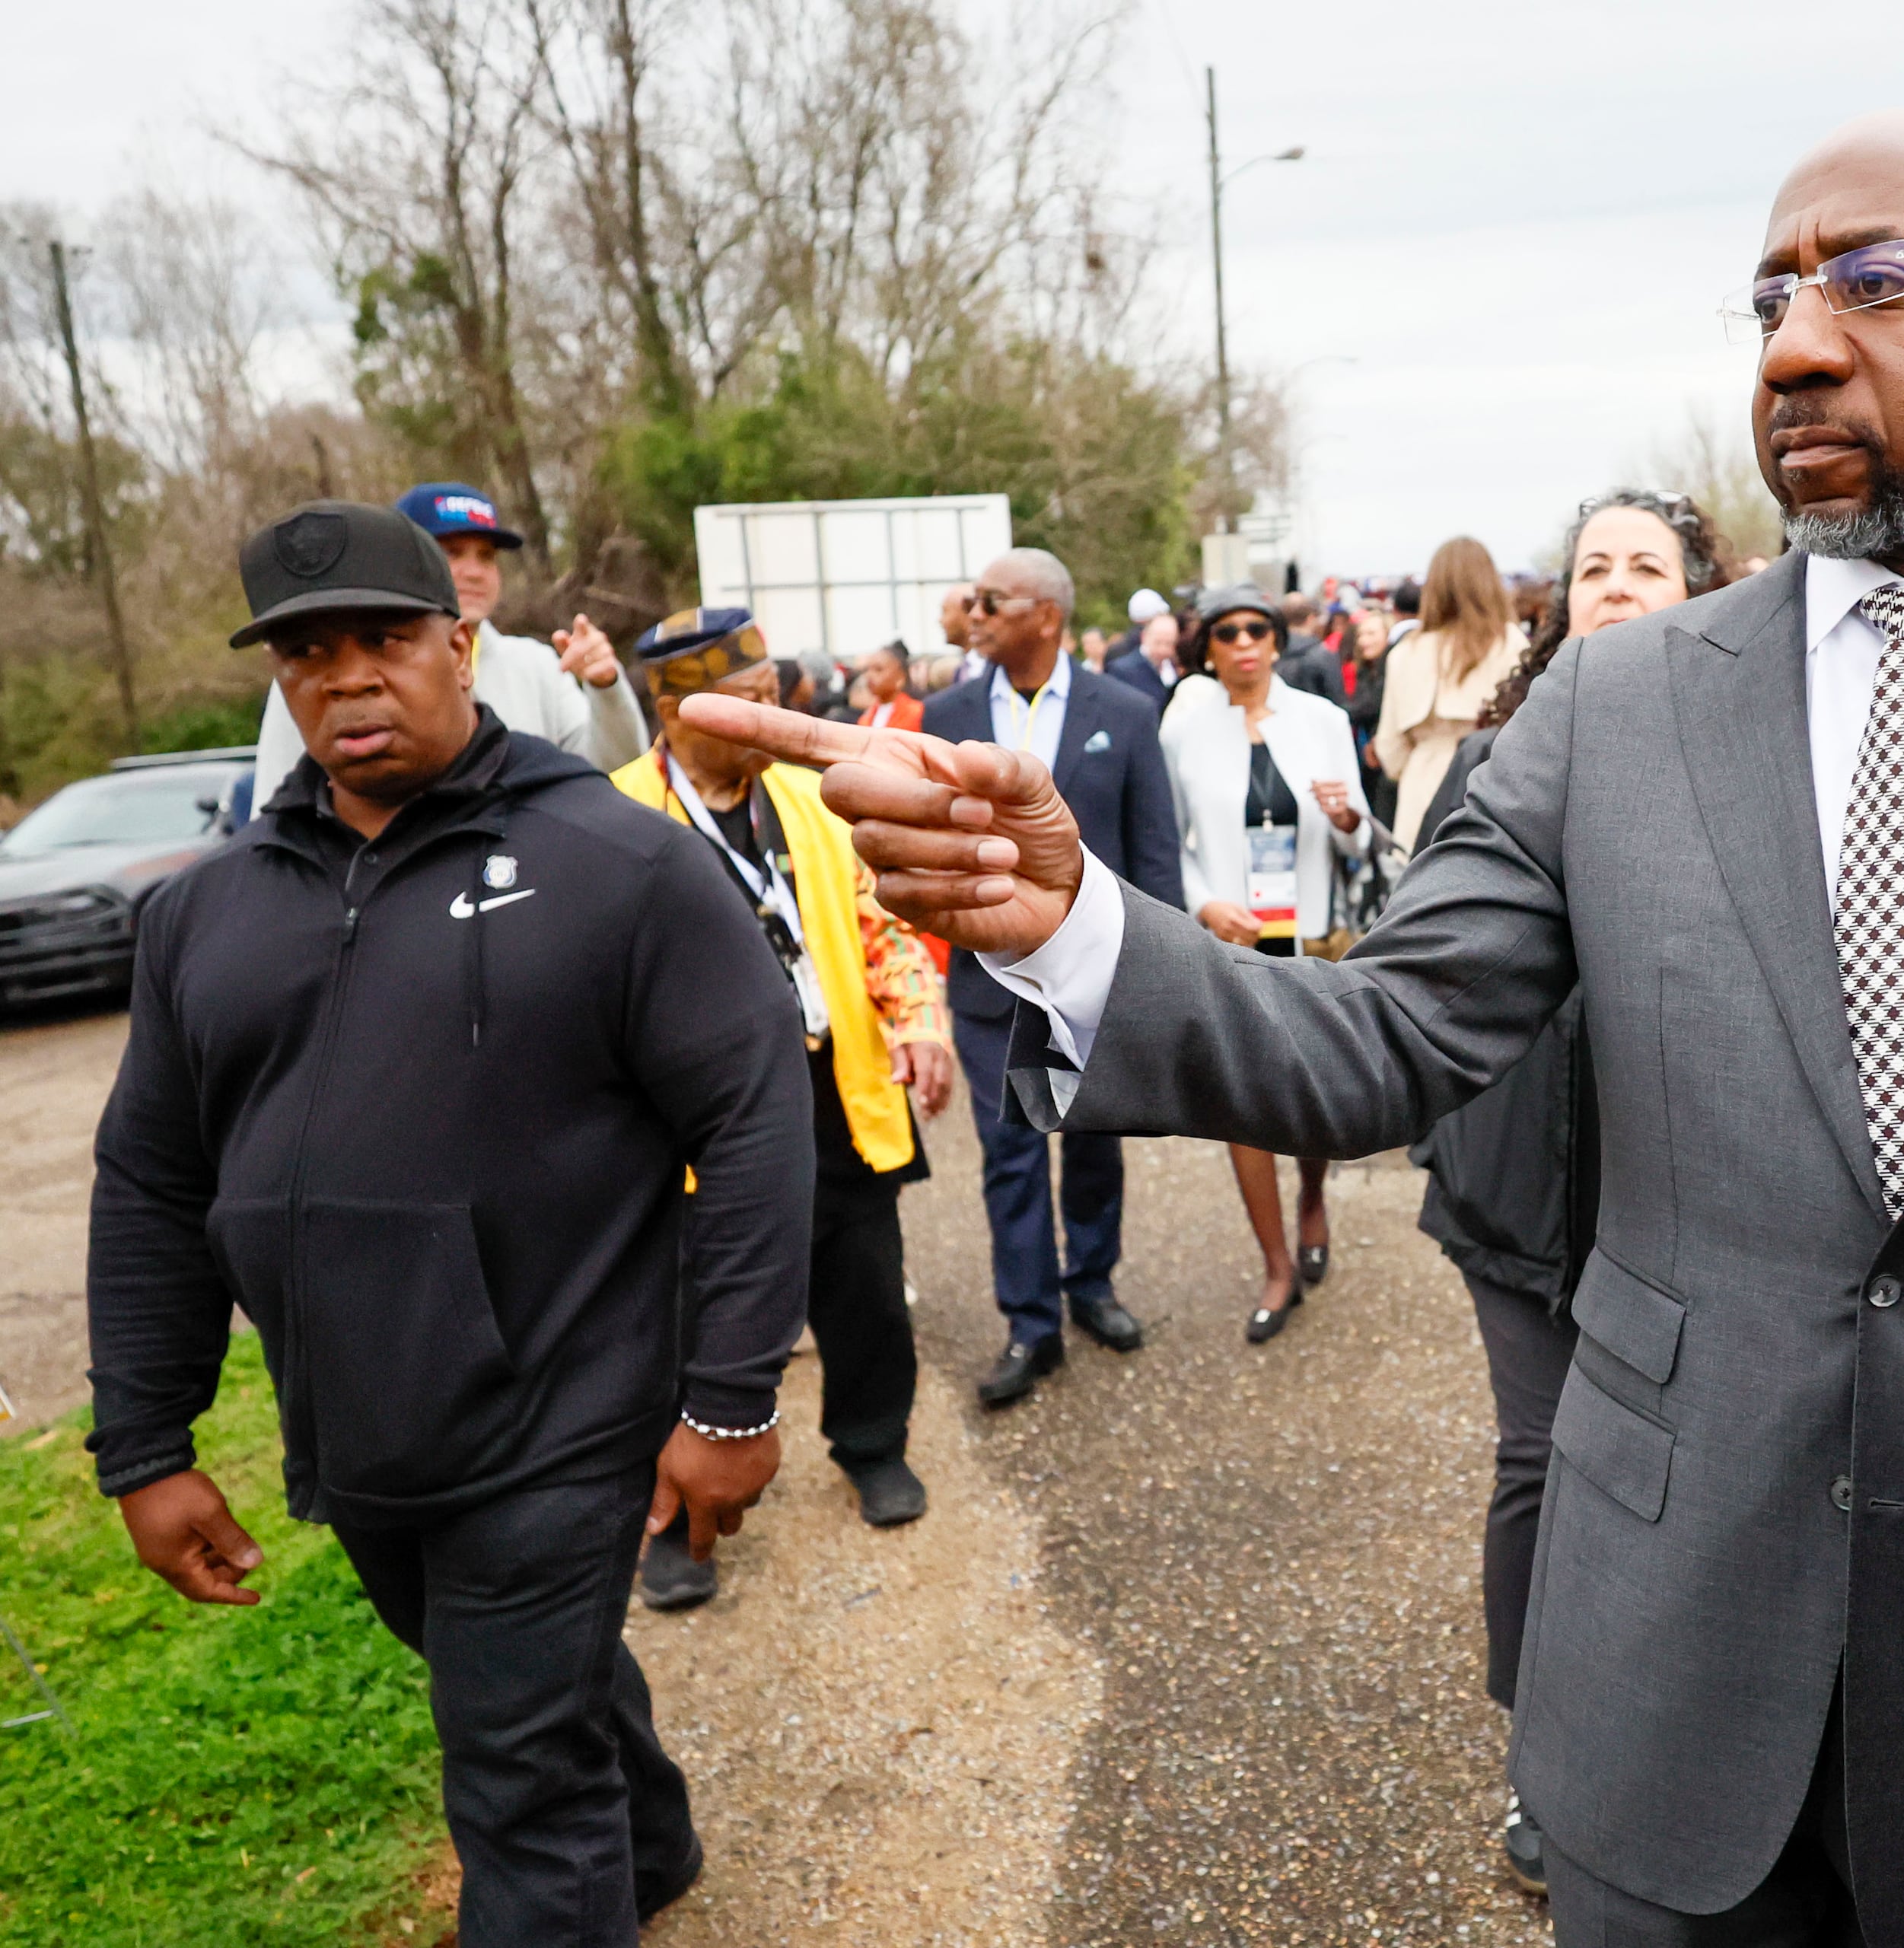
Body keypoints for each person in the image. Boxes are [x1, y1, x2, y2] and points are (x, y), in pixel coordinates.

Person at [692, 107, 1904, 1948]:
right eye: (1773, 295)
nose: (1796, 341)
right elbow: (1383, 1036)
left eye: (1874, 283)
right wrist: (1068, 924)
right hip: (1667, 1694)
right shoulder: (1616, 709)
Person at [92, 501, 810, 1946]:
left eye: (385, 640)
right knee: (519, 1681)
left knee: (517, 1789)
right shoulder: (205, 915)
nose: (349, 678)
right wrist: (147, 1443)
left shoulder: (617, 861)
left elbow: (750, 1115)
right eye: (309, 654)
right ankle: (653, 1845)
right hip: (360, 1425)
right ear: (282, 683)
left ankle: (592, 1869)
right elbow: (152, 1183)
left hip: (563, 1409)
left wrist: (731, 1399)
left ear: (462, 645)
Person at [1407, 485, 1732, 1895]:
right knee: (1542, 1461)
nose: (1612, 586)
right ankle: (1545, 1756)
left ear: (1700, 591)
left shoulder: (1755, 751)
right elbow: (1426, 976)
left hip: (1692, 1184)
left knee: (1689, 1473)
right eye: (1591, 567)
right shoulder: (1499, 756)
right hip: (1521, 1182)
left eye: (1644, 565)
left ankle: (1686, 1738)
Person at [607, 606, 956, 1603]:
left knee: (864, 1287)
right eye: (746, 706)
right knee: (680, 1317)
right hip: (688, 1123)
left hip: (828, 1086)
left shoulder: (814, 799)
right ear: (672, 711)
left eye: (774, 700)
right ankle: (676, 1516)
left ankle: (872, 1444)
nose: (772, 722)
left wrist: (920, 1022)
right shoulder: (619, 818)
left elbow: (884, 926)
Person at [922, 550, 1182, 1408]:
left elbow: (1153, 857)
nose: (974, 610)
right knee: (1011, 1156)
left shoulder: (1130, 713)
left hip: (1093, 975)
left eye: (992, 600)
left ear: (1046, 615)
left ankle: (1092, 1285)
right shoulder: (947, 712)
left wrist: (1156, 973)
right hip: (990, 984)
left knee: (1095, 1140)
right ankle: (1031, 1323)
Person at [1159, 584, 1374, 1341]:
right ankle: (1277, 1262)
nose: (1244, 641)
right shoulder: (1184, 733)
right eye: (1227, 632)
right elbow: (1169, 842)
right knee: (1242, 1102)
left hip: (1311, 937)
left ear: (1278, 641)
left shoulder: (1321, 720)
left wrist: (1349, 815)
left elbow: (1357, 838)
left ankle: (1313, 1195)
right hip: (1233, 942)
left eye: (1258, 629)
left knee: (1311, 1093)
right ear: (1208, 650)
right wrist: (1204, 905)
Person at [249, 482, 648, 813]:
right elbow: (276, 815)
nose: (474, 571)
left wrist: (606, 688)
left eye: (486, 556)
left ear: (459, 654)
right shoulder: (316, 676)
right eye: (451, 553)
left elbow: (612, 767)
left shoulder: (537, 664)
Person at [1371, 537, 1524, 854]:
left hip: (1421, 787)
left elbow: (1390, 748)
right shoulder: (1511, 643)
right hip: (1491, 789)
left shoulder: (1407, 651)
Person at [1338, 601, 1398, 834]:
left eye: (1372, 634)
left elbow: (1368, 707)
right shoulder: (1365, 671)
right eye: (1361, 634)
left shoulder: (1391, 670)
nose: (1364, 641)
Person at [852, 641, 925, 733]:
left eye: (878, 670)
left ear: (900, 677)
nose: (869, 676)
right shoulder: (867, 716)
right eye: (867, 670)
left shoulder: (917, 713)